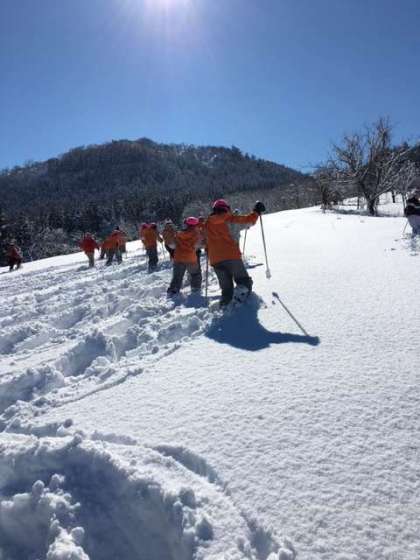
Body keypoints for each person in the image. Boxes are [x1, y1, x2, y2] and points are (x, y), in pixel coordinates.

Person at [204, 199, 265, 306]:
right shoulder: (229, 218)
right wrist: (256, 212)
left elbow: (203, 240)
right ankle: (239, 302)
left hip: (215, 259)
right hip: (231, 256)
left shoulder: (207, 223)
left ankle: (225, 305)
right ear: (227, 208)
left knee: (226, 289)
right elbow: (248, 221)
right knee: (244, 281)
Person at [167, 217, 203, 295]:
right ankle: (195, 289)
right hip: (191, 258)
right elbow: (199, 245)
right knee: (195, 274)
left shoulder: (178, 234)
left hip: (178, 258)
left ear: (186, 224)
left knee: (177, 276)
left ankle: (173, 290)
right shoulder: (197, 234)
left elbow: (172, 245)